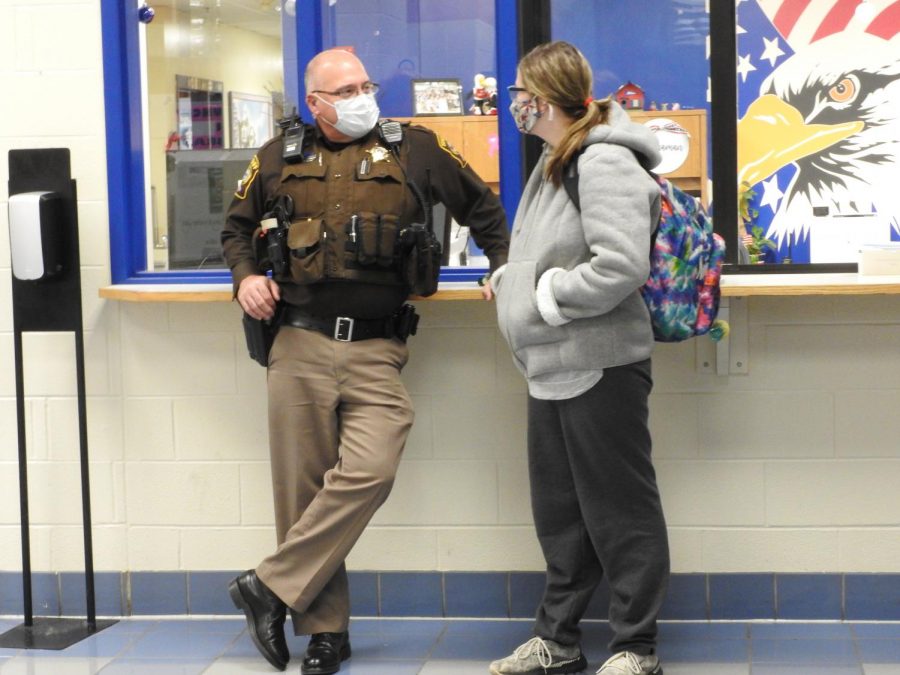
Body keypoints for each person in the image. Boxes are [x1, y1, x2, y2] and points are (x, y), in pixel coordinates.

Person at [221, 48, 508, 674]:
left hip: (378, 344)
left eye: (364, 84)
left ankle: (266, 587)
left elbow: (485, 211)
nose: (361, 96)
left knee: (372, 469)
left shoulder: (417, 148)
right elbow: (235, 229)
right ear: (315, 103)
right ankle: (326, 633)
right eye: (345, 89)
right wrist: (245, 277)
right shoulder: (277, 156)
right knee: (301, 493)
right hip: (296, 339)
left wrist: (503, 263)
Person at [489, 41, 670, 675]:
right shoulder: (555, 160)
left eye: (518, 91)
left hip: (600, 364)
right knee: (562, 515)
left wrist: (547, 296)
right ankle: (559, 642)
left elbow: (620, 265)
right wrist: (516, 278)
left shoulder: (603, 162)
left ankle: (636, 648)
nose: (511, 102)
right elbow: (559, 249)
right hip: (552, 363)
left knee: (620, 511)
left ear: (542, 97)